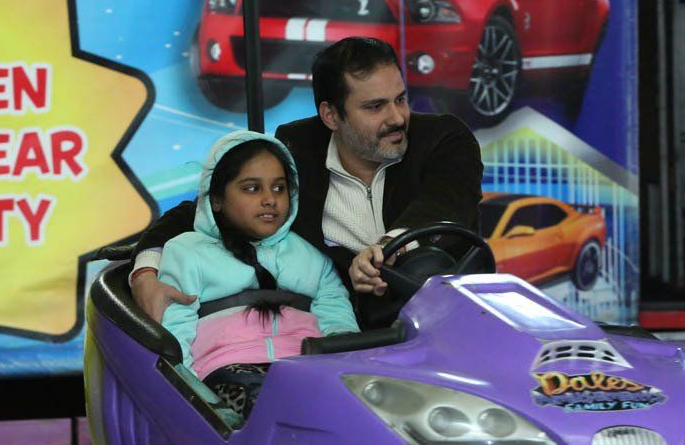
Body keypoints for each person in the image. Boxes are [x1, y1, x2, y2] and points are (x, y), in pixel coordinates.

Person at [133, 36, 484, 329]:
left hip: (451, 324)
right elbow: (206, 210)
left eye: (400, 99)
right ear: (331, 115)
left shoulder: (442, 138)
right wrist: (145, 273)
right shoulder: (297, 152)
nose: (397, 118)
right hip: (350, 336)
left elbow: (444, 202)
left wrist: (387, 248)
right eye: (375, 107)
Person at [159, 130, 358, 423]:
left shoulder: (311, 253)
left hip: (306, 366)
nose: (269, 199)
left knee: (359, 411)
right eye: (252, 189)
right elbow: (176, 329)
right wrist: (192, 395)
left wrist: (346, 370)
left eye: (279, 188)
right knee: (271, 409)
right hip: (227, 369)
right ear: (216, 199)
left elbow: (338, 320)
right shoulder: (186, 252)